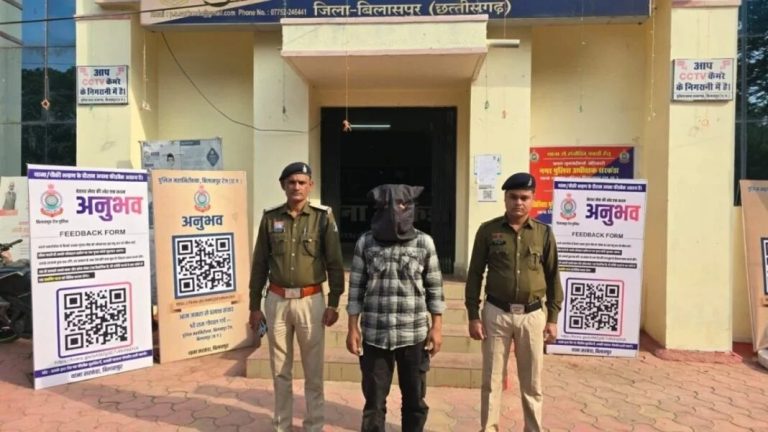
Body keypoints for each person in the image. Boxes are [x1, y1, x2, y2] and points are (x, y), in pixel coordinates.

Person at [248, 162, 344, 432]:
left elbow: (335, 263)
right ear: (283, 185)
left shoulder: (323, 218)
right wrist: (254, 306)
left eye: (302, 182)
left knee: (313, 372)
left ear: (310, 185)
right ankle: (282, 425)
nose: (297, 187)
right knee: (280, 371)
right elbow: (259, 264)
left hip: (310, 302)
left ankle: (314, 426)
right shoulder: (270, 218)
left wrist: (334, 302)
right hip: (276, 301)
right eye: (291, 182)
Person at [464, 172, 563, 432]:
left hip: (532, 316)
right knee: (491, 380)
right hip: (496, 313)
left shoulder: (543, 233)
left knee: (532, 383)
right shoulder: (488, 231)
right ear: (505, 199)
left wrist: (553, 318)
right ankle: (489, 428)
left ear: (532, 200)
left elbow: (553, 277)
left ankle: (533, 428)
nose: (518, 202)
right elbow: (475, 274)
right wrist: (473, 314)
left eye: (524, 197)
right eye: (513, 197)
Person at [346, 184, 445, 432]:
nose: (394, 210)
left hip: (413, 335)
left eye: (402, 204)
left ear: (411, 207)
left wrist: (437, 328)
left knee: (414, 401)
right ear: (378, 208)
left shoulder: (424, 243)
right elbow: (356, 288)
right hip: (375, 335)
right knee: (374, 403)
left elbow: (435, 288)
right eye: (387, 204)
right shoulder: (365, 242)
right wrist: (352, 328)